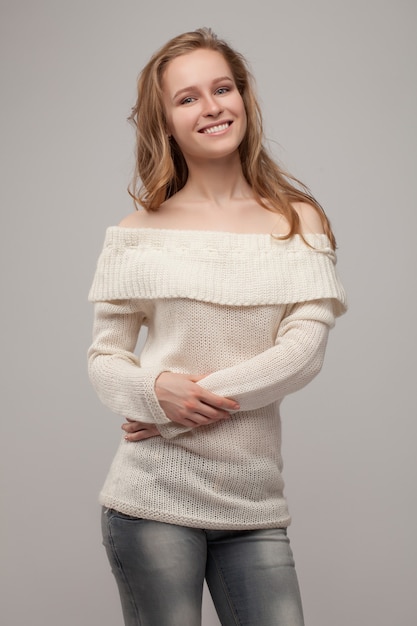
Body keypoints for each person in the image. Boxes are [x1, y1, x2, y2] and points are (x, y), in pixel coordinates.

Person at [87, 27, 347, 626]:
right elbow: (105, 358)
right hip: (150, 500)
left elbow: (302, 353)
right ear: (166, 121)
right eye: (187, 98)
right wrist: (153, 392)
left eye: (222, 88)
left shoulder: (296, 221)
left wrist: (177, 409)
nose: (211, 107)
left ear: (244, 98)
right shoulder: (136, 232)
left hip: (254, 505)